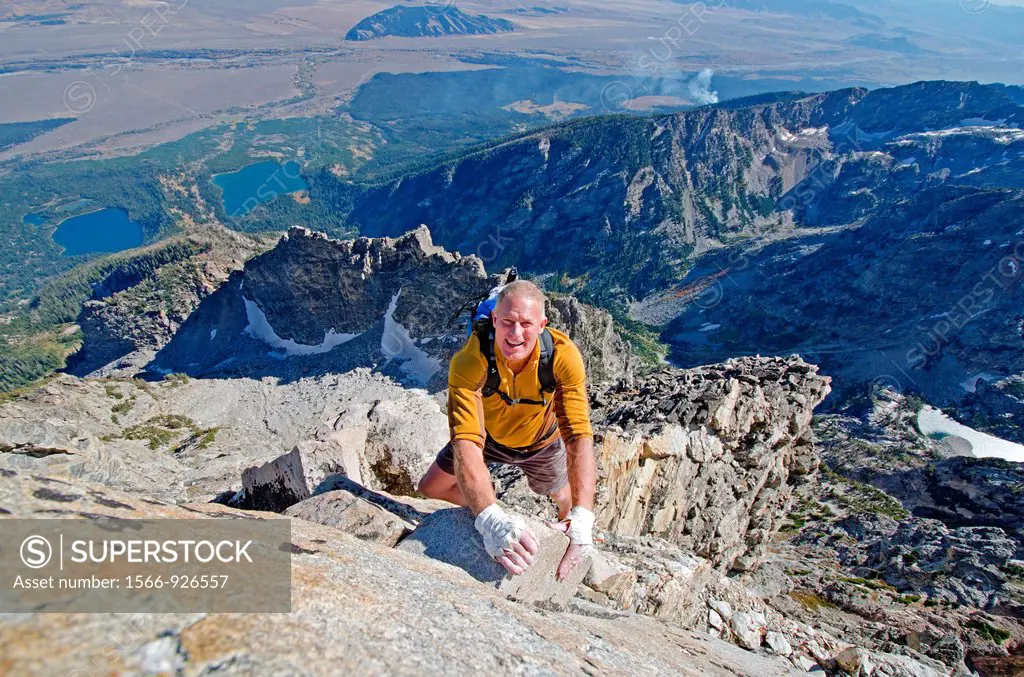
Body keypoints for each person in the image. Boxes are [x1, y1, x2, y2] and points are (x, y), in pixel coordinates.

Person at [417, 279, 597, 580]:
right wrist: (490, 519)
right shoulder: (470, 360)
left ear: (542, 325)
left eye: (526, 324)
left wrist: (583, 515)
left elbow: (578, 434)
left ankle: (570, 522)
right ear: (495, 321)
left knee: (559, 494)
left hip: (541, 441)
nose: (515, 334)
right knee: (430, 488)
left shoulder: (563, 357)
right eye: (508, 323)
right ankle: (493, 506)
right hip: (488, 437)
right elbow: (466, 441)